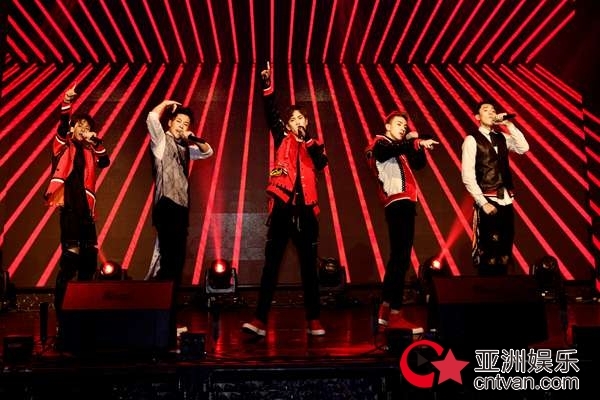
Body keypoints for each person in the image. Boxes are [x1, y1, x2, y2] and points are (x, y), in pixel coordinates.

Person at [242, 63, 329, 337]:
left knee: (309, 267)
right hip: (282, 208)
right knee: (271, 266)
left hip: (307, 212)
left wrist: (309, 141)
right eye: (294, 119)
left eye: (302, 118)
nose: (298, 121)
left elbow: (321, 163)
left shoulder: (314, 145)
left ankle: (314, 319)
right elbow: (271, 113)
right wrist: (267, 86)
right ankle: (259, 320)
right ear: (288, 125)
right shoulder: (282, 137)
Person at [365, 111, 438, 333]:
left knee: (399, 258)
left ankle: (386, 311)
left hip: (405, 204)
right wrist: (413, 142)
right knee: (400, 259)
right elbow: (384, 152)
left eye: (405, 125)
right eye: (398, 124)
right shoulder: (380, 143)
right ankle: (395, 313)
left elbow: (419, 164)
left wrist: (417, 144)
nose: (403, 128)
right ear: (387, 127)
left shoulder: (399, 149)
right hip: (397, 203)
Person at [44, 83, 110, 328]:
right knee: (70, 262)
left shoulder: (90, 151)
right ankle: (63, 315)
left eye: (87, 126)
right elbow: (63, 126)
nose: (84, 129)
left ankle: (82, 313)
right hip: (70, 211)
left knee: (89, 262)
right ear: (73, 128)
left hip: (87, 215)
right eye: (80, 125)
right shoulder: (63, 146)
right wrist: (67, 101)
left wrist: (96, 140)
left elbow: (105, 161)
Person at [147, 100, 213, 290]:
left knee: (178, 260)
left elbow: (208, 152)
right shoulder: (160, 141)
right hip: (166, 204)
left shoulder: (185, 148)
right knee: (168, 258)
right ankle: (162, 303)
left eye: (186, 124)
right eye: (178, 122)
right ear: (170, 123)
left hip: (181, 208)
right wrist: (166, 103)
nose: (182, 126)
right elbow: (152, 118)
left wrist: (194, 138)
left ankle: (171, 304)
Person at [461, 100, 529, 276]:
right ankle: (487, 287)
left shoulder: (502, 137)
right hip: (488, 198)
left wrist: (509, 124)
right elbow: (467, 175)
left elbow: (523, 148)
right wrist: (482, 202)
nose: (491, 113)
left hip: (506, 198)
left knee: (505, 248)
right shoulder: (471, 139)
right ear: (477, 116)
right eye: (486, 110)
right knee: (489, 250)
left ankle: (502, 287)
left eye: (493, 110)